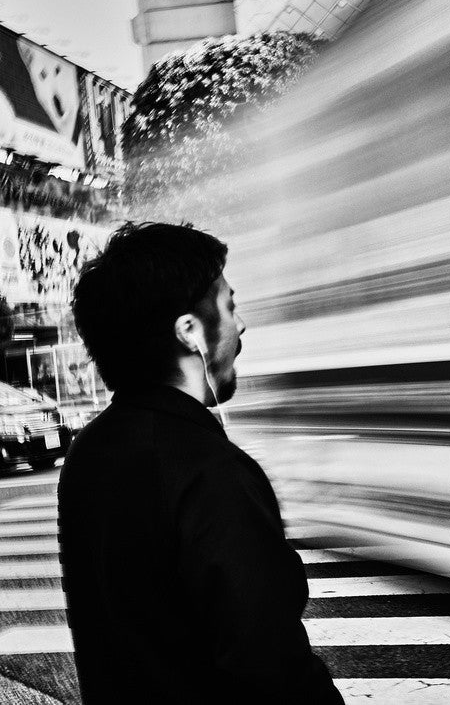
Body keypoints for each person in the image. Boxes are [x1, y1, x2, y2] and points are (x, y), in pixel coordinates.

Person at [58, 222, 344, 705]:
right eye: (229, 305)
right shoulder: (212, 471)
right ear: (190, 331)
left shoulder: (88, 454)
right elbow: (269, 667)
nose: (241, 323)